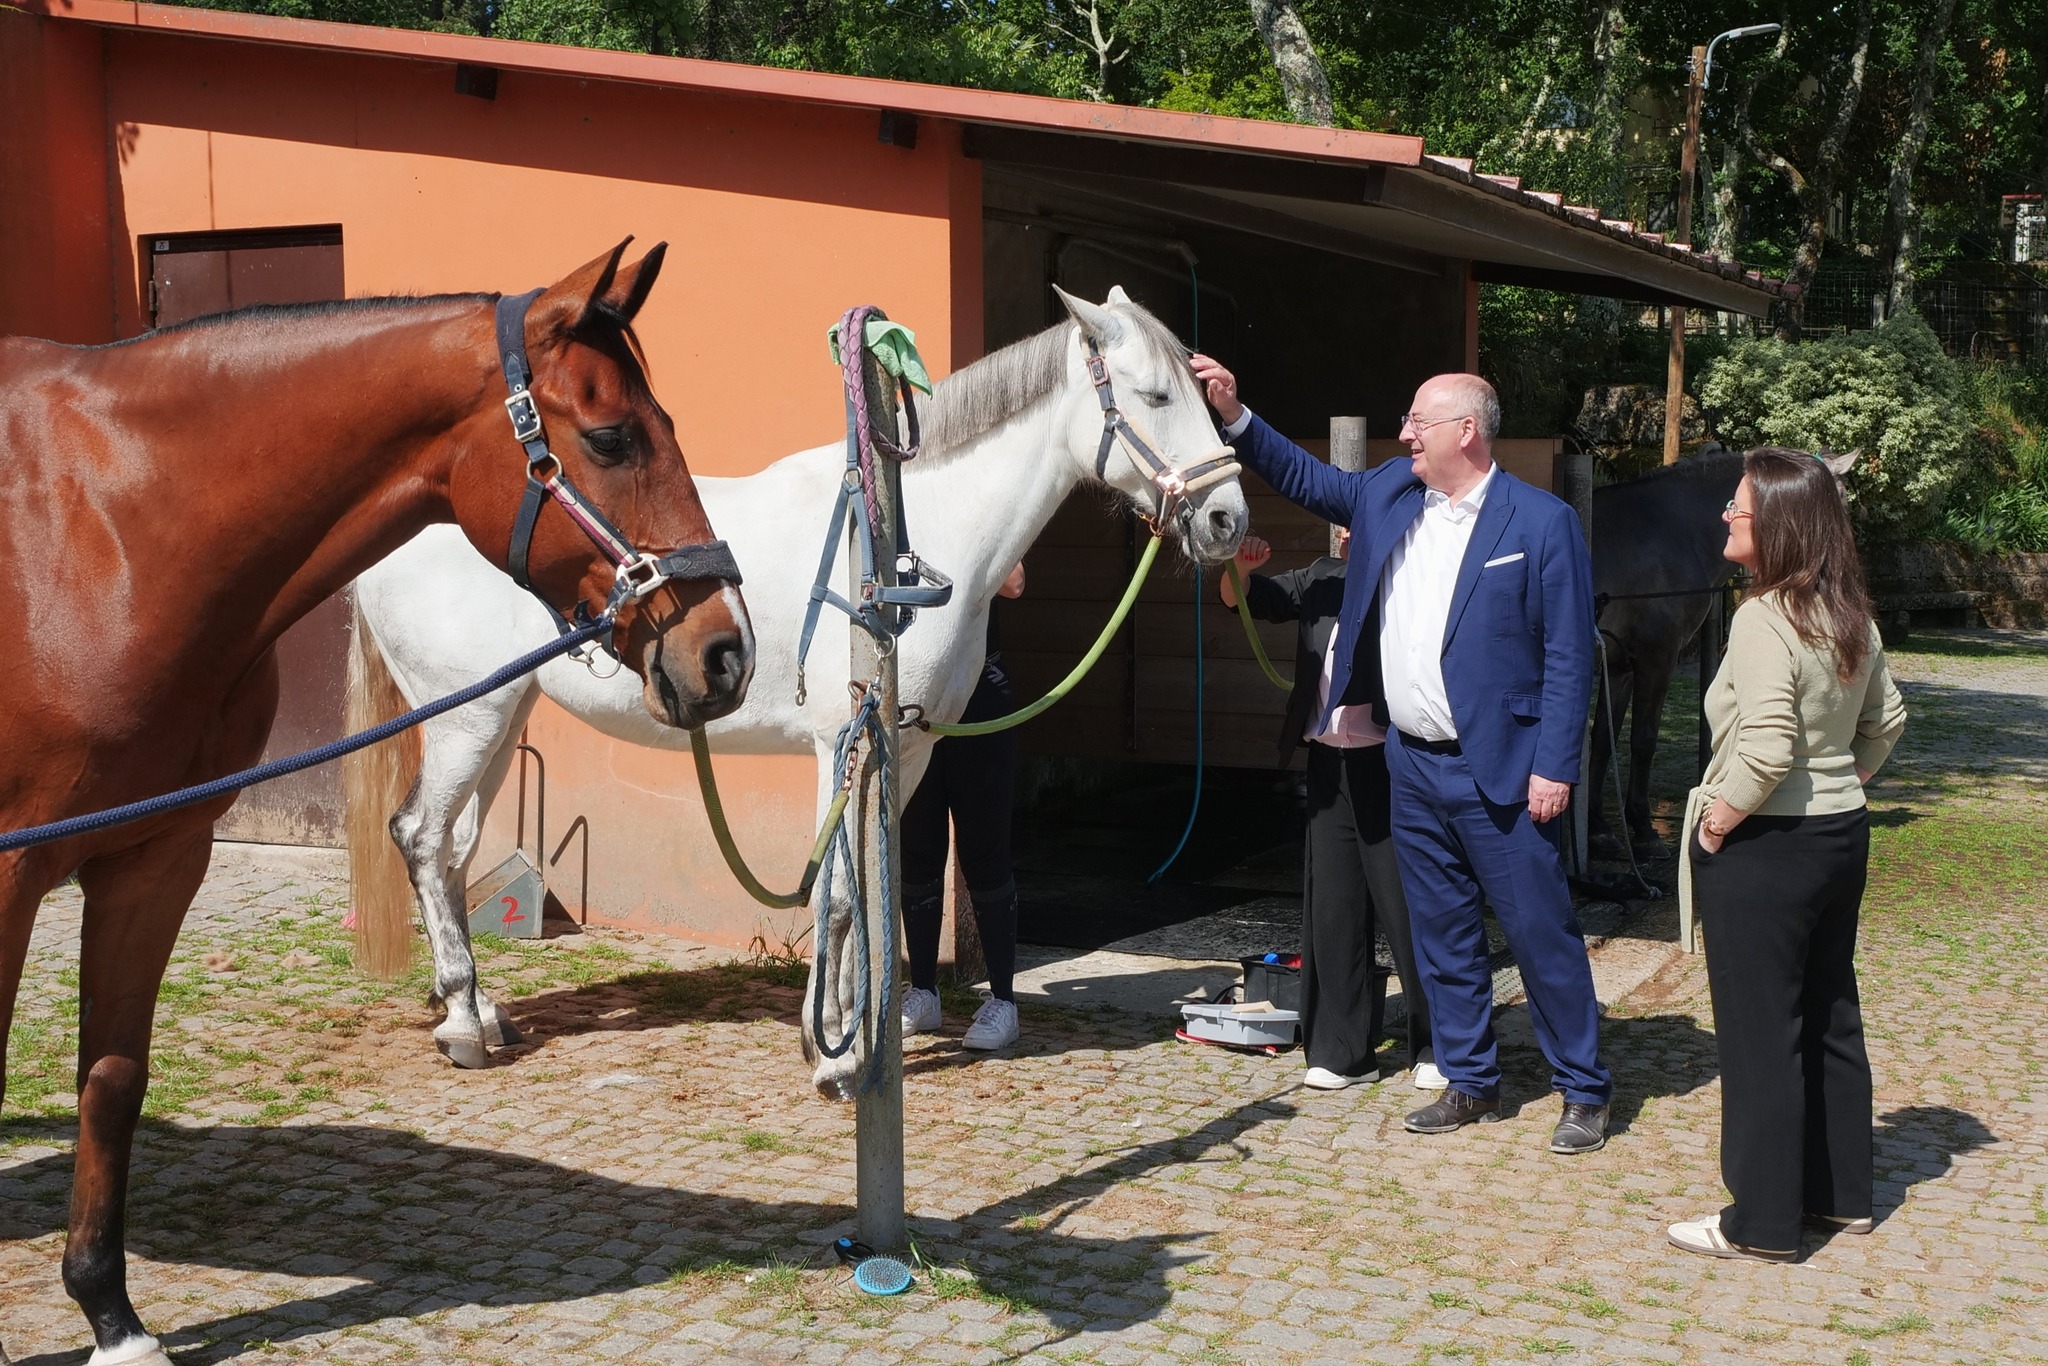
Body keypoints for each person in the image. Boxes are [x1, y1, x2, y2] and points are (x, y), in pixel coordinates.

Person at [1190, 357, 1612, 1155]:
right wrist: (1235, 414)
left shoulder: (1541, 523)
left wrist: (1555, 764)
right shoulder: (1388, 492)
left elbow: (1567, 657)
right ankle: (1468, 1078)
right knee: (1442, 935)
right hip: (1411, 764)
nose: (1406, 432)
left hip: (1507, 772)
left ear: (1467, 431)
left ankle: (1583, 1090)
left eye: (1420, 420)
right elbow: (1304, 476)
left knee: (1539, 933)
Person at [1667, 449, 1907, 1262]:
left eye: (1738, 507)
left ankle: (1762, 1223)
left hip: (1768, 845)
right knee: (1831, 1013)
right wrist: (1840, 780)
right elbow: (1888, 723)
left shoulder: (1763, 617)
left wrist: (1717, 823)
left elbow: (1766, 749)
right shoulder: (1851, 613)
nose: (1726, 516)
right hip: (1841, 836)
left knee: (1760, 1033)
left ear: (1778, 521)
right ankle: (1841, 1201)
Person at [1221, 530, 1438, 1091]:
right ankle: (1343, 1052)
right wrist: (1240, 570)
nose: (1347, 535)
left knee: (1406, 905)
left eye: (1358, 524)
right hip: (1326, 766)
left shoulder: (1406, 581)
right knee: (1334, 907)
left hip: (1388, 764)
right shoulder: (1317, 577)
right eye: (1341, 525)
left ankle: (1438, 1047)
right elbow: (1236, 597)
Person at [899, 561, 1027, 1051]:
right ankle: (925, 991)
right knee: (919, 845)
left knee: (984, 851)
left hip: (979, 690)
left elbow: (1015, 582)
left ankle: (1003, 1001)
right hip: (921, 694)